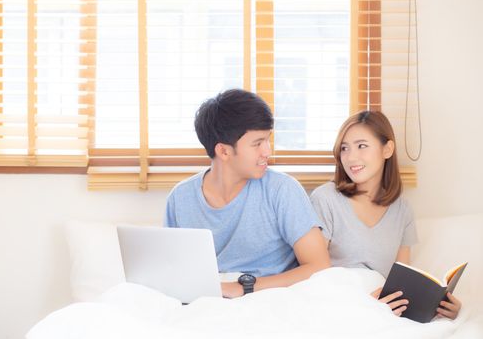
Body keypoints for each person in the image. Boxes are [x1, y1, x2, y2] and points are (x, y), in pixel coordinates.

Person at [165, 89, 330, 298]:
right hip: (209, 300)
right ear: (224, 151)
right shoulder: (180, 198)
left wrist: (244, 288)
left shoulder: (282, 190)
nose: (267, 151)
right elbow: (173, 270)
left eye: (267, 140)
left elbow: (319, 266)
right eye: (257, 143)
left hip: (272, 298)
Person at [310, 110, 461, 319]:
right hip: (338, 305)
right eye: (344, 148)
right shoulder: (325, 199)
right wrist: (363, 303)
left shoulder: (402, 210)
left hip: (383, 307)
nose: (351, 157)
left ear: (387, 149)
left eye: (361, 146)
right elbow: (315, 275)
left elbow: (402, 280)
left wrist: (440, 305)